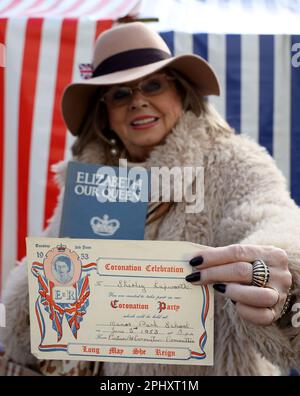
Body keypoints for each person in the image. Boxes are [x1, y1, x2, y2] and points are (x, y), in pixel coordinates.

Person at [1, 22, 300, 376]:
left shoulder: (231, 161)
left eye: (153, 84)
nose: (138, 100)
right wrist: (14, 335)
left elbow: (271, 216)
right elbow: (45, 275)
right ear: (105, 113)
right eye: (119, 93)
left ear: (181, 92)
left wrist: (276, 266)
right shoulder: (90, 184)